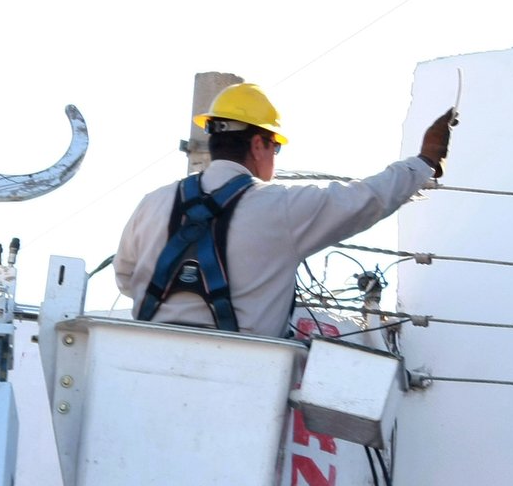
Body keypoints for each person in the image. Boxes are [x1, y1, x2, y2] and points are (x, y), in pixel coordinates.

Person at [114, 82, 455, 338]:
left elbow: (126, 278)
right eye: (274, 146)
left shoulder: (152, 203)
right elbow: (366, 199)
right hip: (241, 376)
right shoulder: (280, 208)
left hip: (144, 362)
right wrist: (425, 161)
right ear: (259, 144)